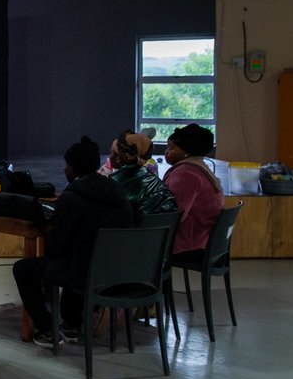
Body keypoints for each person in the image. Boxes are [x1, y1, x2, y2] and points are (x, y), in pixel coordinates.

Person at [12, 136, 135, 347]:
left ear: (74, 169)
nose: (65, 169)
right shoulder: (117, 191)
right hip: (115, 271)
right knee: (76, 258)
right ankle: (71, 324)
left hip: (84, 272)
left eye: (67, 165)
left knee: (25, 269)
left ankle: (47, 328)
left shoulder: (72, 198)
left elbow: (57, 247)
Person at [163, 123, 224, 261]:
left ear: (187, 151)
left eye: (171, 148)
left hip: (189, 244)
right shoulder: (199, 165)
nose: (166, 152)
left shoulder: (186, 173)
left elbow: (175, 215)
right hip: (203, 239)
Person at [106, 129, 177, 220]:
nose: (110, 156)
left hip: (133, 232)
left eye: (112, 152)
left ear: (118, 158)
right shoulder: (154, 180)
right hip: (160, 232)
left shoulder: (114, 184)